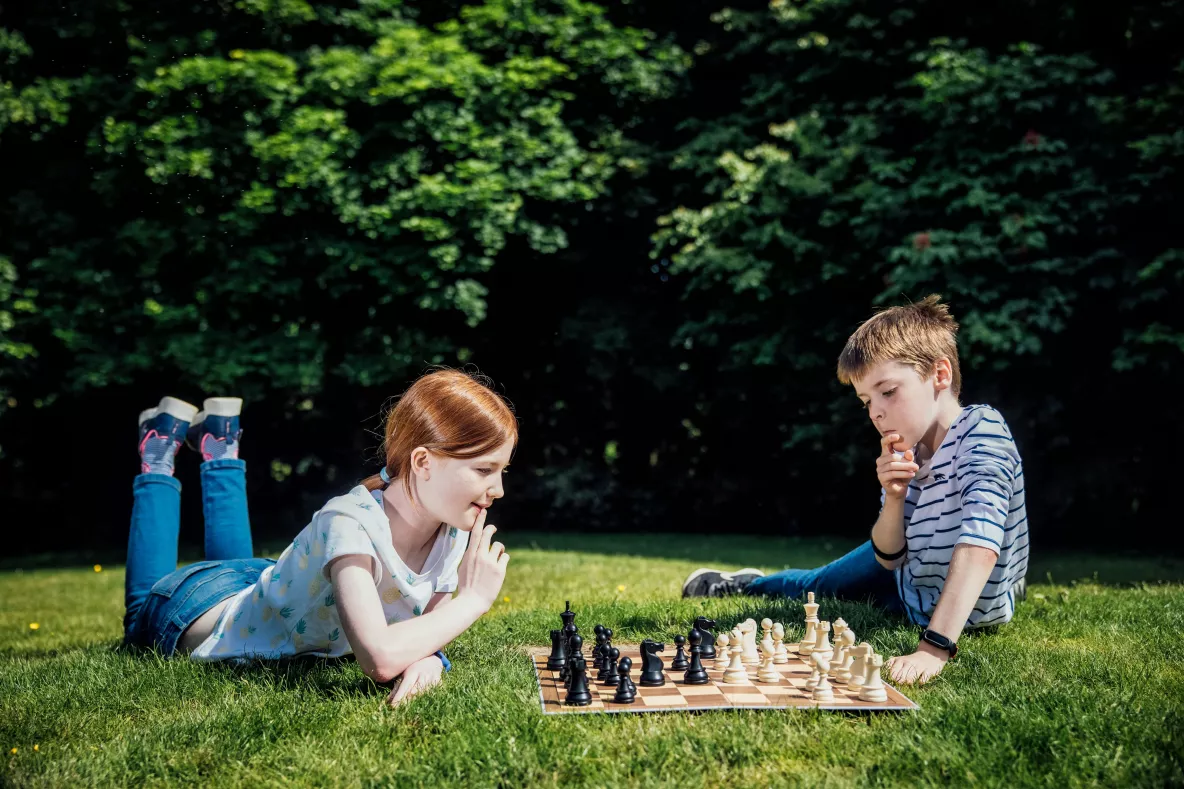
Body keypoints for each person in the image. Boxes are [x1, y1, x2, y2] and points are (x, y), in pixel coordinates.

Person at [681, 296, 1029, 684]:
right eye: (866, 401)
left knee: (833, 592)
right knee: (819, 585)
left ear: (940, 374)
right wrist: (894, 497)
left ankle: (1008, 584)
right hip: (909, 587)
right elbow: (889, 556)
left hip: (926, 606)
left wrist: (934, 647)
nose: (875, 412)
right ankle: (748, 585)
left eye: (888, 391)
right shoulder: (907, 449)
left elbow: (980, 545)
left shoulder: (983, 432)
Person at [123, 368, 515, 705]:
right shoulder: (348, 521)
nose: (498, 489)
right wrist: (475, 599)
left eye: (502, 472)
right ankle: (158, 453)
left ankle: (220, 447)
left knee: (249, 591)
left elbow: (426, 633)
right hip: (198, 604)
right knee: (141, 610)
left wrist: (430, 659)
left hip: (263, 584)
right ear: (423, 462)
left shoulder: (452, 531)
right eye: (484, 470)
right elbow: (378, 659)